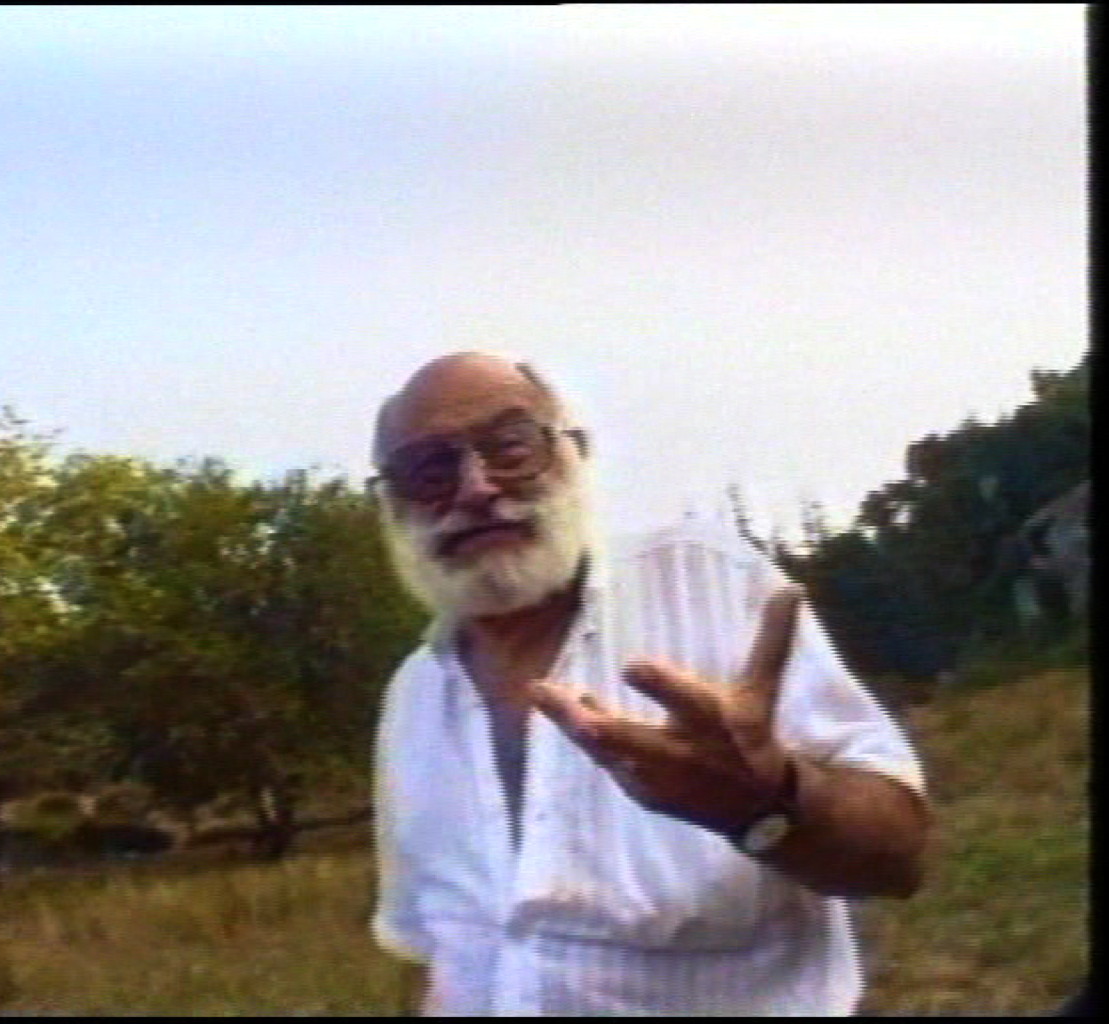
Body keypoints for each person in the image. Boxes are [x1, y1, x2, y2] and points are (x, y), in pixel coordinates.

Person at [368, 352, 930, 1015]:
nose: (475, 487)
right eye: (428, 470)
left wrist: (767, 800)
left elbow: (898, 857)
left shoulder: (711, 580)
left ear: (574, 452)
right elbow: (431, 947)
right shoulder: (412, 697)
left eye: (510, 446)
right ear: (388, 504)